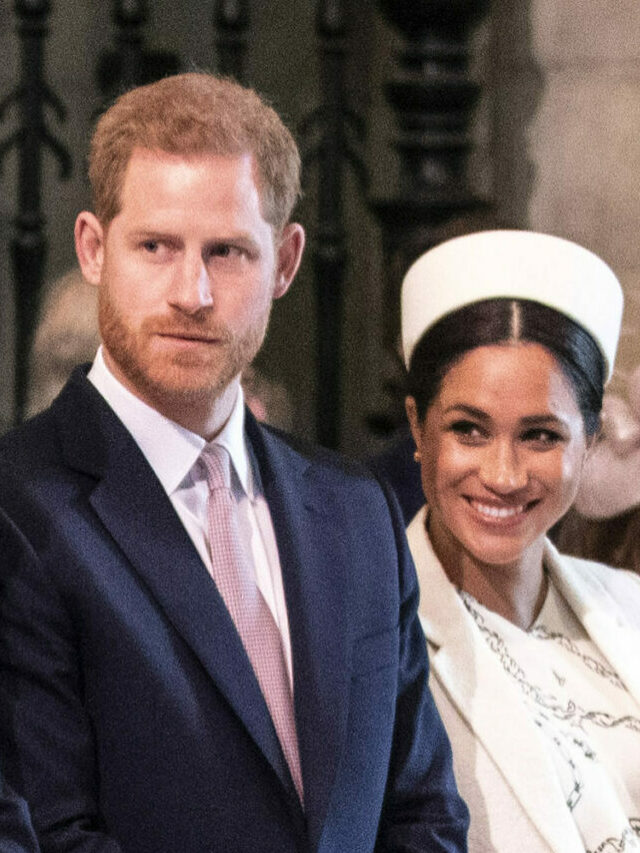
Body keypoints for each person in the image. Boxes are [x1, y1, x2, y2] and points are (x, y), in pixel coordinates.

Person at [0, 72, 468, 853]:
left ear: (285, 262)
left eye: (228, 252)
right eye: (156, 246)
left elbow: (422, 811)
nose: (193, 291)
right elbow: (46, 835)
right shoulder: (20, 507)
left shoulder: (357, 512)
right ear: (92, 248)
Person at [399, 230, 640, 852]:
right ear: (416, 426)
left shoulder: (632, 605)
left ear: (589, 442)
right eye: (469, 430)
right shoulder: (366, 636)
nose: (503, 475)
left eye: (540, 436)